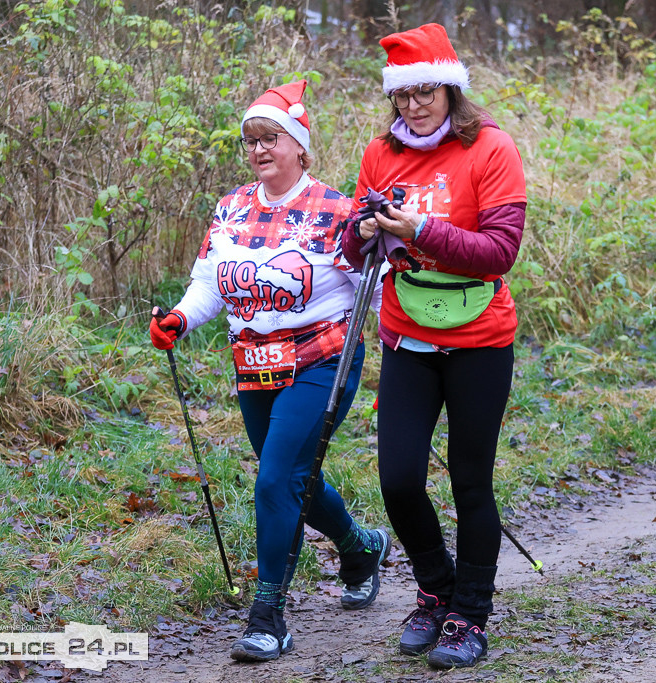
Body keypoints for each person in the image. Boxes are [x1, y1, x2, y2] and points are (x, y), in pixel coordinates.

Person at [148, 79, 391, 663]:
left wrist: (400, 362)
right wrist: (180, 317)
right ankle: (360, 547)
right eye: (250, 140)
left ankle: (268, 616)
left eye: (271, 138)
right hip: (254, 364)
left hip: (322, 361)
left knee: (275, 479)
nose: (258, 149)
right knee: (292, 479)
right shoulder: (231, 208)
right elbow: (210, 282)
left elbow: (375, 292)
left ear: (301, 148)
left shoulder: (337, 210)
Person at [341, 23, 526, 670]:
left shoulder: (491, 149)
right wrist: (362, 229)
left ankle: (469, 614)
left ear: (451, 89)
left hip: (480, 337)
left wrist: (422, 226)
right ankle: (434, 587)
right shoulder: (380, 152)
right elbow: (351, 247)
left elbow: (500, 251)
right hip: (408, 332)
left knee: (471, 481)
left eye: (427, 93)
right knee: (397, 479)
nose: (414, 106)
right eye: (403, 97)